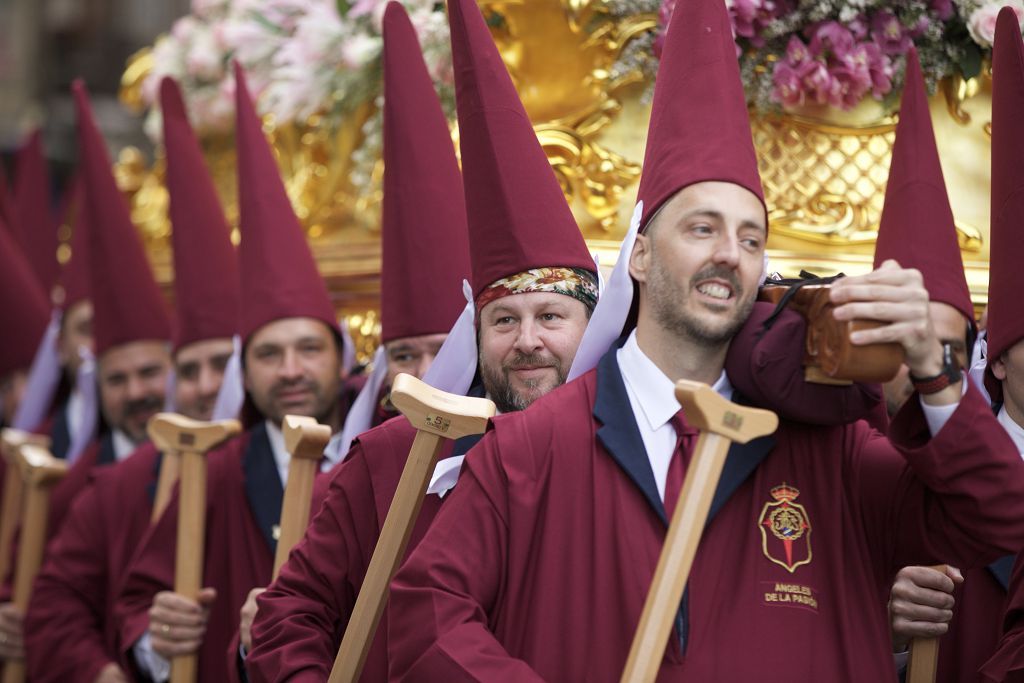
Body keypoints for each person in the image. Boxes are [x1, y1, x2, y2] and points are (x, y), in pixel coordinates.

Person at [385, 0, 1024, 680]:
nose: (730, 253)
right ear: (638, 256)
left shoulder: (828, 449)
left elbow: (998, 515)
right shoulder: (527, 449)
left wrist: (936, 371)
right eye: (701, 228)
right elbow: (426, 616)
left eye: (751, 238)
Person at [245, 4, 597, 679]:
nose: (527, 341)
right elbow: (291, 612)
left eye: (551, 316)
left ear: (593, 325)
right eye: (503, 320)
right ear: (479, 334)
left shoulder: (633, 451)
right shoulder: (391, 458)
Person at [113, 63, 369, 683]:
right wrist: (158, 634)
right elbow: (138, 607)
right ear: (244, 374)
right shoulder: (217, 471)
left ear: (344, 355)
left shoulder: (381, 460)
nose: (290, 370)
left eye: (308, 348)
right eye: (267, 354)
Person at [21, 74, 245, 683]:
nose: (200, 386)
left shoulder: (307, 463)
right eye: (117, 378)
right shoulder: (115, 487)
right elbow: (53, 605)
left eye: (219, 366)